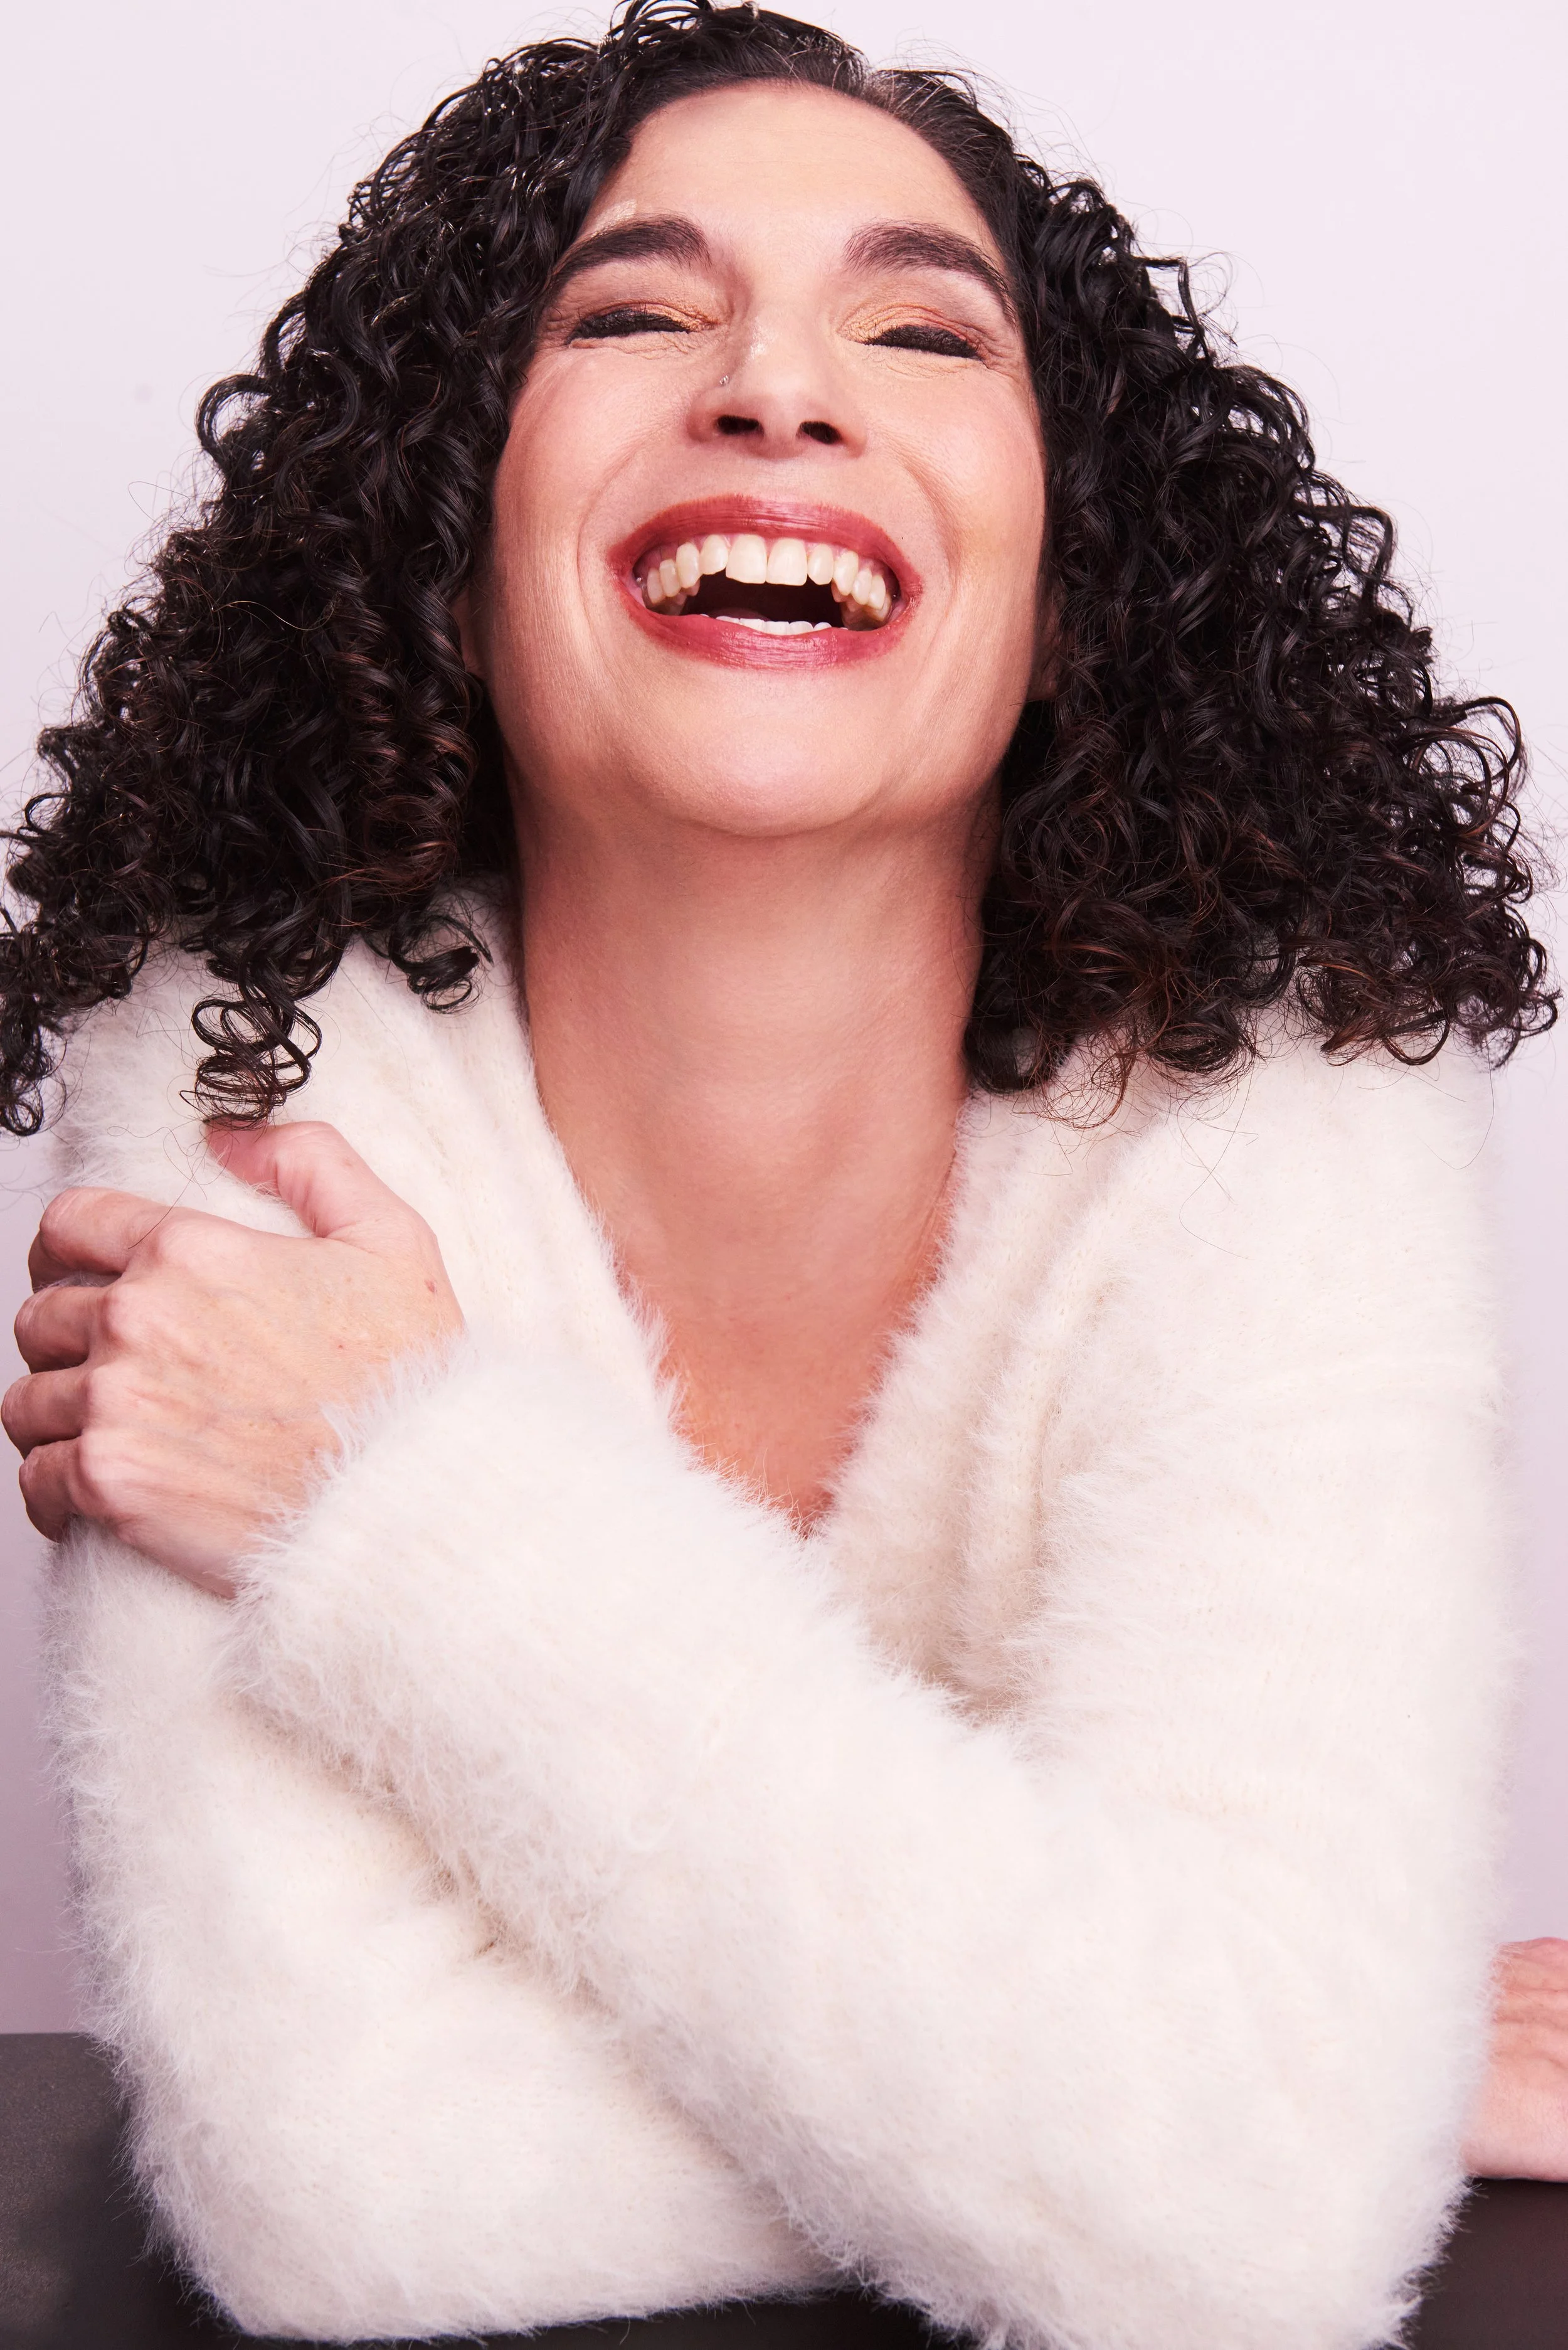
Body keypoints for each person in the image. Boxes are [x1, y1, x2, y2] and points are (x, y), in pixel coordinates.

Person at [4, 3, 1565, 2342]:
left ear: (1083, 582)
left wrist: (387, 1483)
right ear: (440, 525)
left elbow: (1242, 2217)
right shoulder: (244, 1069)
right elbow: (346, 2181)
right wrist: (1209, 2089)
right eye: (631, 313)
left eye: (922, 330)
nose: (773, 389)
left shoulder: (1287, 1097)